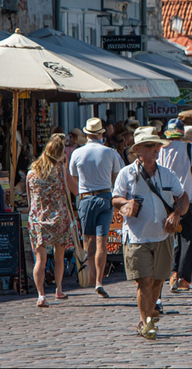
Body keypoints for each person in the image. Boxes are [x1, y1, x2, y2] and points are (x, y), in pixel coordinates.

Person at [112, 127, 189, 340]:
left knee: (157, 281)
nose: (155, 149)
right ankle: (147, 322)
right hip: (137, 236)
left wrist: (176, 214)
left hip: (162, 235)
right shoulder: (126, 174)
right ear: (137, 149)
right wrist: (125, 203)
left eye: (157, 145)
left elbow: (183, 198)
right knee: (143, 280)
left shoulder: (167, 173)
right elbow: (115, 199)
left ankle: (146, 317)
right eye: (150, 145)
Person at [68, 117, 125, 298]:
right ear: (101, 134)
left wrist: (82, 190)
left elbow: (73, 176)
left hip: (85, 197)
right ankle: (99, 280)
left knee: (88, 240)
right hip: (105, 195)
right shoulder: (110, 152)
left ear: (86, 134)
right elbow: (119, 175)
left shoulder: (77, 153)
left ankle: (91, 275)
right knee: (102, 241)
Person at [26, 135, 74, 308]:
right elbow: (70, 190)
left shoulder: (32, 172)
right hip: (58, 217)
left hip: (37, 218)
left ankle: (40, 295)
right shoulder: (59, 170)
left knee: (40, 259)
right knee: (59, 256)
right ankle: (59, 289)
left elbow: (29, 198)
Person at [157, 119, 192, 293]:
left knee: (169, 240)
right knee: (187, 239)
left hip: (166, 201)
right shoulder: (191, 148)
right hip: (187, 198)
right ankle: (183, 278)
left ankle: (172, 273)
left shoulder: (161, 150)